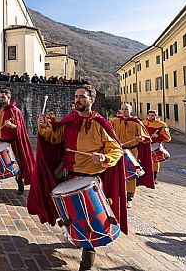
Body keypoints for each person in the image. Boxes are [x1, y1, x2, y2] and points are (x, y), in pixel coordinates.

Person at [28, 85, 127, 271]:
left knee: (89, 221)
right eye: (76, 96)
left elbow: (116, 150)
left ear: (91, 100)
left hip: (90, 180)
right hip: (69, 176)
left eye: (82, 97)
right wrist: (43, 127)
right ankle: (77, 238)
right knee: (73, 217)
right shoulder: (70, 121)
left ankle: (86, 264)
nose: (77, 100)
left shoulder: (100, 124)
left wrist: (104, 157)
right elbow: (53, 137)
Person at [0, 89, 35, 199]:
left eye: (3, 97)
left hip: (10, 144)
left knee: (16, 165)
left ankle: (20, 184)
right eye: (0, 97)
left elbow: (20, 129)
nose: (1, 99)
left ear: (9, 97)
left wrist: (11, 125)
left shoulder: (15, 111)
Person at [110, 103, 153, 208]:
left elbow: (146, 137)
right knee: (116, 173)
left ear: (131, 110)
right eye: (122, 109)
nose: (124, 111)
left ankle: (129, 197)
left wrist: (141, 139)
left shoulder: (136, 123)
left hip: (132, 152)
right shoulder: (114, 121)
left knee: (131, 174)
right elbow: (106, 131)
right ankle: (117, 195)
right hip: (117, 151)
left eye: (126, 109)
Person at [142, 109, 171, 183]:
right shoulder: (143, 122)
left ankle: (154, 177)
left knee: (155, 161)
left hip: (155, 145)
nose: (151, 117)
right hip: (144, 144)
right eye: (149, 115)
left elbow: (167, 137)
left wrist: (158, 135)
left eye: (152, 115)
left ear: (156, 115)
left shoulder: (162, 124)